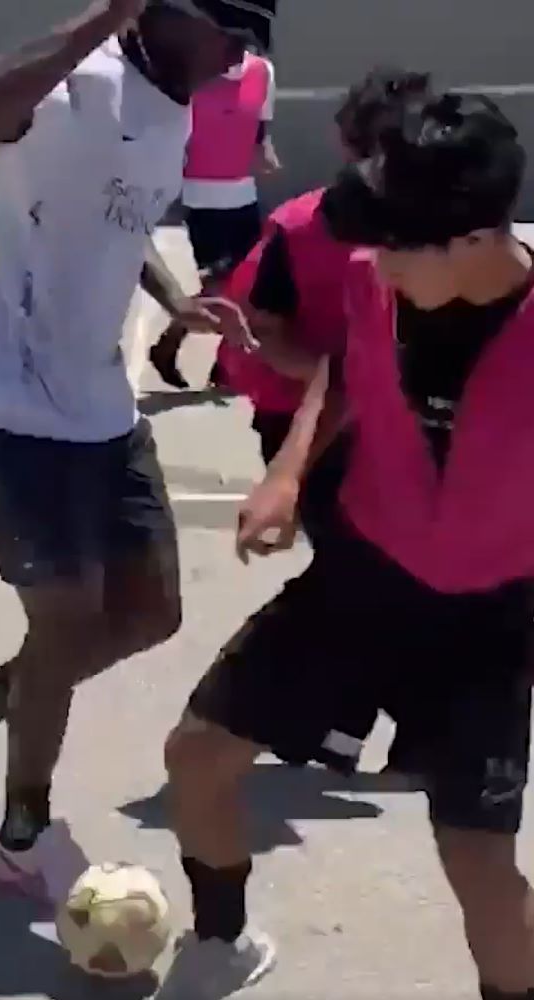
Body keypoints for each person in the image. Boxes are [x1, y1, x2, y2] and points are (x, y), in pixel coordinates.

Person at [0, 0, 275, 902]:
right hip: (10, 404)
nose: (236, 58)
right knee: (64, 622)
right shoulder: (78, 81)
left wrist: (175, 300)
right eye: (230, 33)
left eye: (250, 42)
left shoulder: (174, 110)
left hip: (102, 408)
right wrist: (103, 17)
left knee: (148, 614)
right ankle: (24, 836)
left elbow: (119, 220)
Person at [160, 91, 534, 1000]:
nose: (370, 258)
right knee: (197, 757)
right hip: (363, 580)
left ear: (474, 238)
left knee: (479, 863)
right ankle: (223, 941)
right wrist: (288, 472)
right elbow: (343, 373)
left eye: (391, 241)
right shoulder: (378, 283)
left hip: (490, 621)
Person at [218, 67, 433, 776]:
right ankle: (327, 719)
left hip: (396, 430)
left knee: (397, 579)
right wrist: (343, 385)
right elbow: (265, 331)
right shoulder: (302, 227)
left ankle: (351, 726)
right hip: (307, 428)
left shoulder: (442, 233)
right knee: (363, 576)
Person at [149, 46, 280, 390]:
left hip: (244, 195)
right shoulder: (194, 70)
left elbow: (259, 129)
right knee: (219, 287)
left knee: (246, 285)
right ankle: (174, 345)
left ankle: (217, 363)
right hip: (201, 197)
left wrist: (265, 150)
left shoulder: (262, 72)